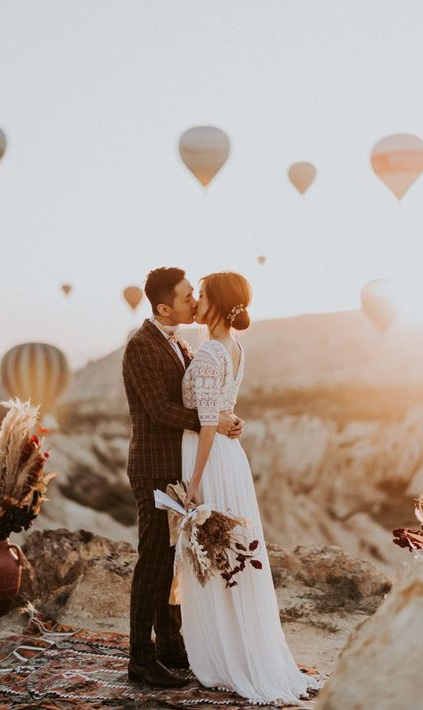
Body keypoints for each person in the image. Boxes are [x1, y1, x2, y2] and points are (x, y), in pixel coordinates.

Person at [178, 271, 320, 705]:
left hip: (209, 459)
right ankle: (243, 651)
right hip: (230, 458)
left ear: (217, 304)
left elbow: (205, 422)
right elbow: (221, 411)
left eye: (201, 296)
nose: (196, 303)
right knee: (231, 552)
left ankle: (224, 660)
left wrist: (194, 482)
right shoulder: (235, 348)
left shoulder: (207, 354)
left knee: (212, 552)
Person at [122, 267, 244, 688]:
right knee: (154, 559)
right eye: (187, 295)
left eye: (196, 293)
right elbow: (159, 410)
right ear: (163, 306)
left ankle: (170, 644)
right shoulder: (141, 346)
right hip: (153, 469)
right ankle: (140, 656)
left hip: (176, 466)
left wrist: (221, 416)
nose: (194, 301)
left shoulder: (182, 342)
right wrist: (212, 420)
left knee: (175, 561)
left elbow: (204, 392)